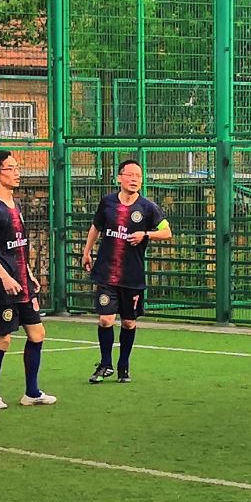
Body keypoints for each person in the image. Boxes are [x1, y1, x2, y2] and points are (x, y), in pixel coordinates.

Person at [0, 149, 56, 410]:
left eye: (17, 167)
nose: (17, 172)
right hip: (1, 286)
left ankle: (31, 392)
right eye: (10, 168)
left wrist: (29, 273)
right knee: (4, 338)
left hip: (22, 283)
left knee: (37, 333)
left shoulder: (16, 205)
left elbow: (18, 245)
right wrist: (4, 277)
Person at [81, 158, 172, 384]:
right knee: (105, 319)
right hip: (106, 273)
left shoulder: (148, 208)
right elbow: (96, 227)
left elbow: (167, 232)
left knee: (129, 323)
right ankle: (105, 365)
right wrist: (86, 251)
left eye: (138, 176)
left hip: (132, 276)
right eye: (130, 175)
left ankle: (124, 366)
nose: (134, 179)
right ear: (119, 178)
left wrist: (146, 234)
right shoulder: (107, 203)